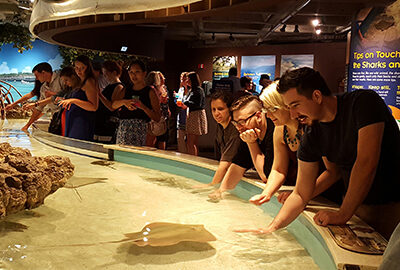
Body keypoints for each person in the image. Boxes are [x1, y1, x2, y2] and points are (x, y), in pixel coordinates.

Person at [242, 67, 400, 239]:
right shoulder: (312, 133)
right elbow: (301, 193)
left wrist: (343, 214)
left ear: (317, 96)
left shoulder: (363, 103)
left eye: (295, 105)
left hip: (394, 204)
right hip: (361, 205)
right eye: (289, 107)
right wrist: (271, 228)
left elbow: (366, 162)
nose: (293, 114)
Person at [209, 94, 275, 199]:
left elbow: (266, 175)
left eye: (242, 122)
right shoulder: (247, 131)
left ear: (258, 116)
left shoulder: (274, 131)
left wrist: (251, 143)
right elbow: (238, 165)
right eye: (236, 123)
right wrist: (220, 191)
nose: (239, 128)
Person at [111, 59, 161, 146]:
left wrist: (144, 107)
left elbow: (157, 117)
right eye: (131, 72)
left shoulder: (150, 91)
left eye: (137, 72)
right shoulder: (126, 89)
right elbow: (113, 105)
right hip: (124, 128)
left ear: (144, 73)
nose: (134, 75)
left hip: (141, 129)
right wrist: (124, 102)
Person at [201, 91, 241, 187]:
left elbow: (225, 164)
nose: (216, 113)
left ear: (229, 109)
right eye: (213, 110)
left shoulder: (236, 129)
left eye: (220, 109)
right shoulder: (220, 126)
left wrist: (212, 186)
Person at [58, 55, 99, 141]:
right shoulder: (80, 80)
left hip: (82, 123)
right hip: (73, 121)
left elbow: (93, 106)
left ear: (87, 67)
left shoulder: (89, 81)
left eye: (82, 68)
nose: (79, 71)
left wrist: (73, 100)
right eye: (76, 68)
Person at [20, 62, 63, 131]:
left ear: (43, 73)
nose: (36, 79)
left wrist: (35, 104)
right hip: (56, 116)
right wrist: (27, 126)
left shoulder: (61, 78)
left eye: (37, 76)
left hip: (67, 114)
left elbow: (67, 94)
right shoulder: (43, 88)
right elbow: (39, 108)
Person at [94, 60, 124, 143]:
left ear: (114, 72)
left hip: (108, 123)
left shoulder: (119, 87)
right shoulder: (110, 85)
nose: (104, 76)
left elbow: (112, 107)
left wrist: (99, 94)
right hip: (101, 121)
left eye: (106, 73)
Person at [178, 71, 207, 156]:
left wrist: (185, 104)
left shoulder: (197, 90)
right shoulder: (194, 89)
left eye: (187, 79)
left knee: (190, 142)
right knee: (193, 142)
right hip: (193, 115)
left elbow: (194, 103)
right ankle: (194, 158)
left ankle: (192, 160)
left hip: (195, 116)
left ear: (192, 80)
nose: (186, 81)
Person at [145, 71, 170, 149]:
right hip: (154, 114)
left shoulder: (162, 89)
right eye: (159, 78)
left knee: (160, 138)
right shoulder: (153, 89)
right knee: (151, 137)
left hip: (161, 114)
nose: (161, 80)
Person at [176, 72, 189, 153]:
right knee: (180, 139)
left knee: (189, 140)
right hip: (181, 116)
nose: (182, 81)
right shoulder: (181, 89)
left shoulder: (191, 90)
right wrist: (176, 97)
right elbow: (178, 101)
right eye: (181, 79)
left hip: (188, 117)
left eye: (184, 79)